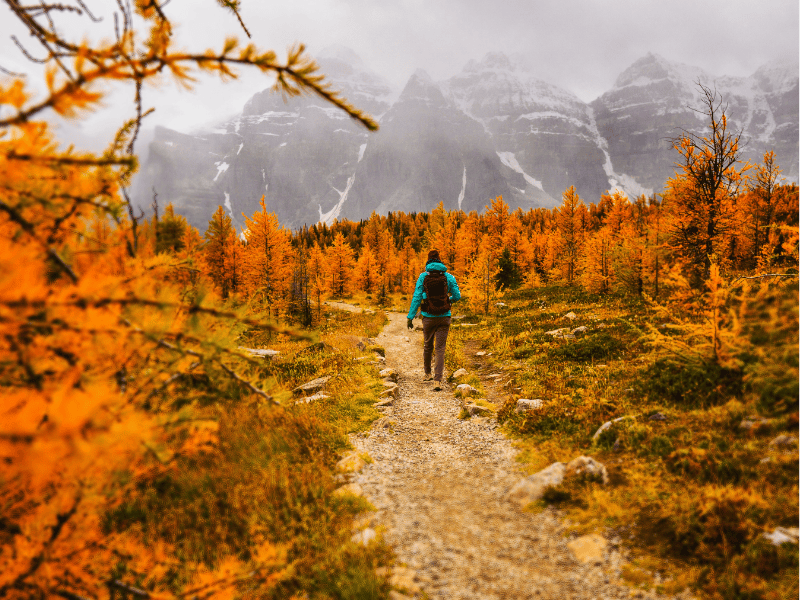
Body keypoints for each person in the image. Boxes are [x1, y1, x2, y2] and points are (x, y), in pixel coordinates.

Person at [406, 249, 461, 391]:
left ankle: (427, 374)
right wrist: (449, 299)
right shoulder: (449, 277)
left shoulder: (423, 277)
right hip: (444, 317)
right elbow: (457, 296)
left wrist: (410, 317)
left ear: (428, 260)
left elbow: (417, 297)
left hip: (428, 317)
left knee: (427, 346)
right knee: (440, 349)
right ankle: (437, 381)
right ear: (440, 260)